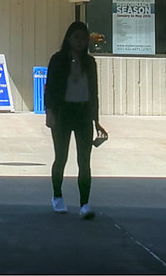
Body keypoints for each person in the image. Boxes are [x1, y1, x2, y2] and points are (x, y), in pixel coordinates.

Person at [44, 20, 106, 220]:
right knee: (61, 157)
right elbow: (50, 87)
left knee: (84, 161)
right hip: (63, 113)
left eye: (83, 38)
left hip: (82, 115)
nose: (80, 42)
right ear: (69, 38)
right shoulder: (58, 60)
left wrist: (96, 121)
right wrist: (50, 112)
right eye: (76, 37)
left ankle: (84, 203)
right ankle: (57, 196)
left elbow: (93, 92)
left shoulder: (90, 63)